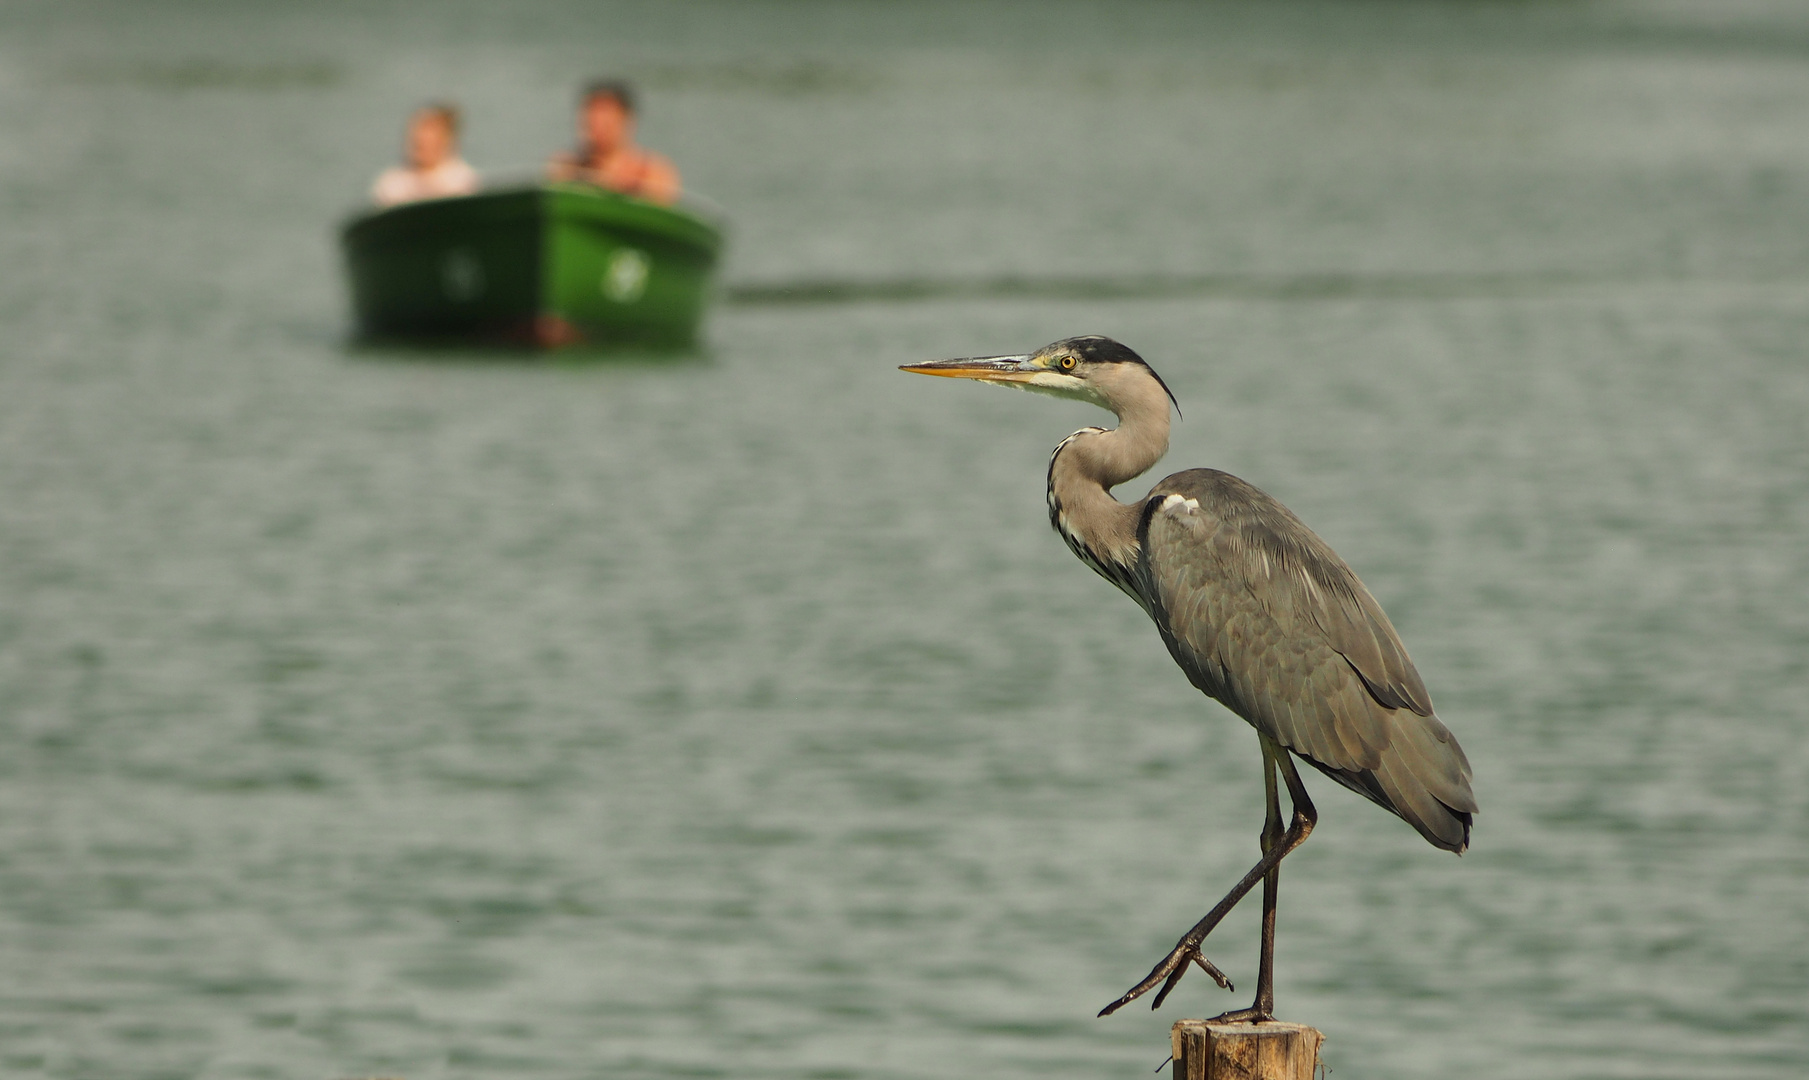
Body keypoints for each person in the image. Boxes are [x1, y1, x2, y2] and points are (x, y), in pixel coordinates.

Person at [546, 79, 681, 205]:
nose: (598, 130)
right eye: (591, 123)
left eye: (606, 124)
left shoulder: (652, 171)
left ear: (627, 121)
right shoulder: (567, 165)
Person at [370, 103, 479, 207]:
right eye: (417, 142)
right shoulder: (390, 185)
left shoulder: (464, 183)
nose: (422, 142)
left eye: (431, 140)